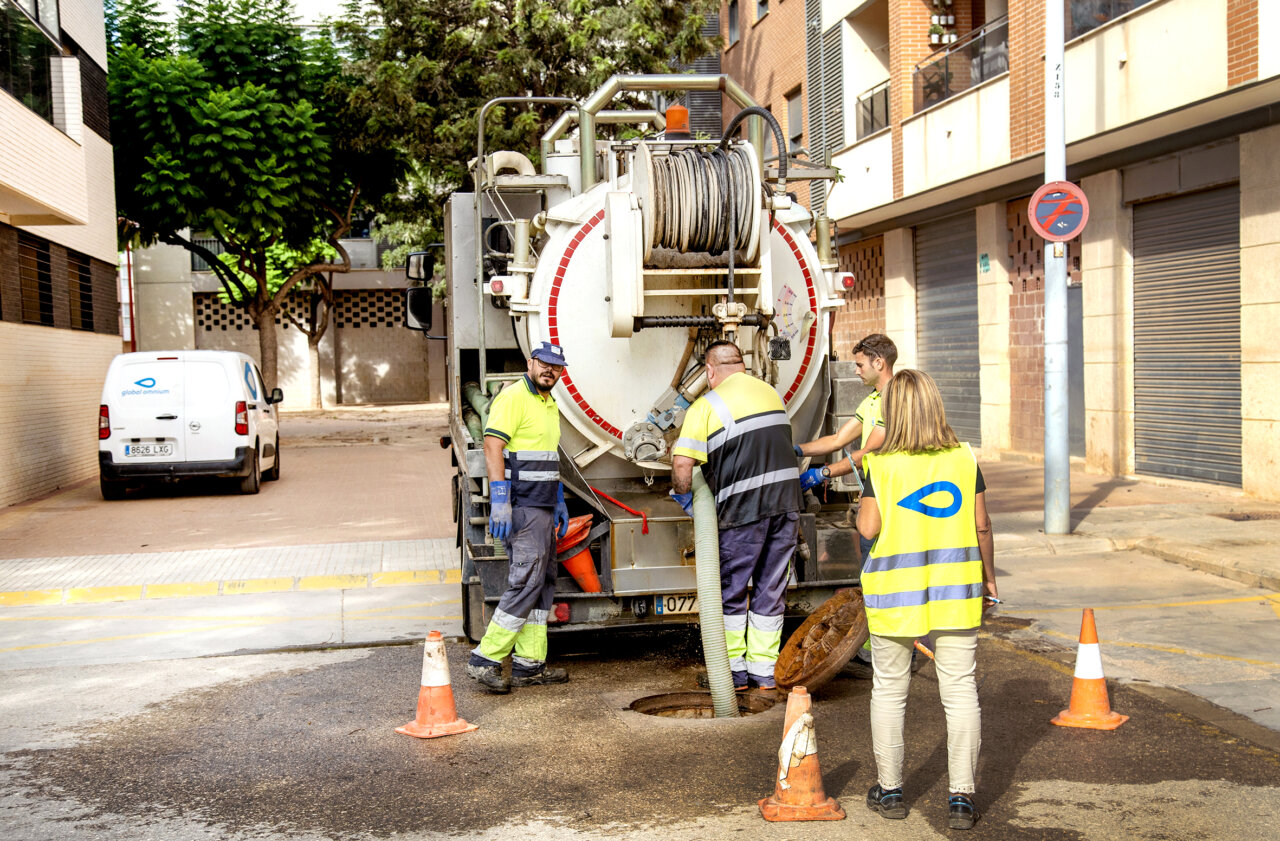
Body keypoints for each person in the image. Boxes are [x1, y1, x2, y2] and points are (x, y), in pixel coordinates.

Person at [855, 369, 997, 830]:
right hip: (957, 590)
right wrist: (989, 580)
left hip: (895, 595)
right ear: (936, 406)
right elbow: (981, 525)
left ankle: (891, 791)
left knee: (890, 690)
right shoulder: (964, 457)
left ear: (892, 412)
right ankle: (961, 799)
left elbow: (868, 528)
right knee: (960, 689)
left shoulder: (882, 465)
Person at [669, 341, 802, 691]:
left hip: (744, 511)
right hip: (787, 505)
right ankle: (764, 672)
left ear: (710, 371)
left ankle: (732, 675)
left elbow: (683, 465)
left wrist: (683, 496)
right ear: (742, 366)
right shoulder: (772, 394)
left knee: (730, 591)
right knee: (771, 589)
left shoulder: (706, 405)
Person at [466, 342, 573, 693]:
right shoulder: (513, 397)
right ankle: (485, 659)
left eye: (556, 366)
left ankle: (530, 664)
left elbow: (546, 455)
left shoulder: (549, 403)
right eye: (544, 363)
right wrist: (500, 499)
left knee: (542, 582)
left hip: (542, 506)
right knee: (527, 581)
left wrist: (558, 498)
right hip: (523, 505)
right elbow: (492, 445)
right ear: (531, 363)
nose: (549, 370)